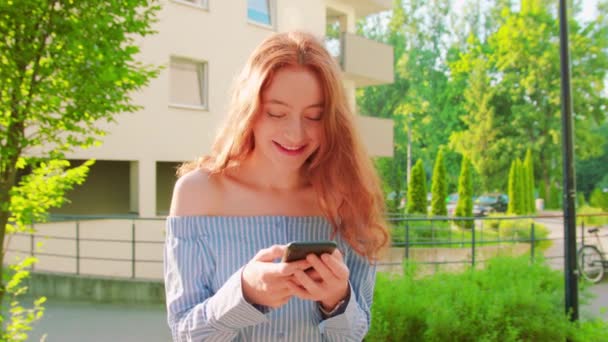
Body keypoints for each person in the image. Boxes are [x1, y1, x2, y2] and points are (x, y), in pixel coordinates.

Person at [164, 31, 390, 341]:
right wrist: (244, 293)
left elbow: (352, 336)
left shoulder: (348, 198)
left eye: (314, 116)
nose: (295, 134)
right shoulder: (197, 193)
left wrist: (337, 300)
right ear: (249, 110)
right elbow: (186, 334)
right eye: (276, 113)